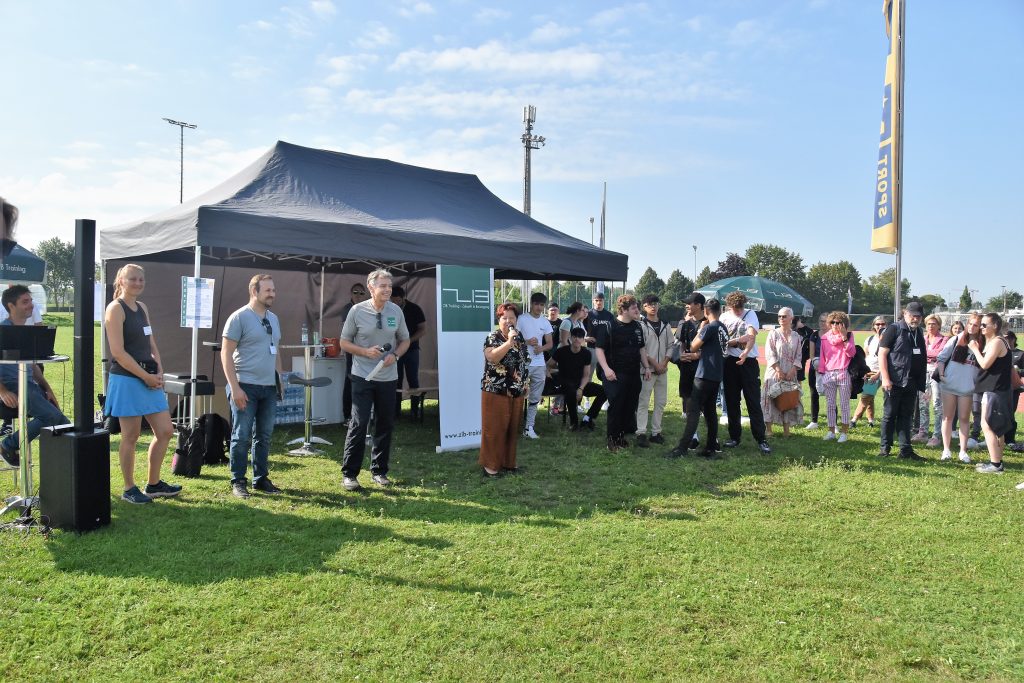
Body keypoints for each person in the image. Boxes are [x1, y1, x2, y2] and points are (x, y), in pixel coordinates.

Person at [102, 265, 181, 504]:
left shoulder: (142, 307)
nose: (137, 283)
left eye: (141, 279)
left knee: (166, 431)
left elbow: (150, 341)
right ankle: (129, 488)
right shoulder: (115, 309)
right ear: (121, 281)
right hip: (127, 379)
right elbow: (118, 353)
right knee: (131, 436)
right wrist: (144, 376)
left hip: (149, 377)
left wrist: (158, 367)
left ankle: (154, 483)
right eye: (132, 279)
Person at [339, 269, 410, 490]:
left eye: (389, 286)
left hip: (388, 377)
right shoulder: (356, 311)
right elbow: (343, 342)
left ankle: (379, 471)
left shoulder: (396, 311)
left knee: (385, 423)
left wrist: (395, 355)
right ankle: (350, 474)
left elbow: (405, 340)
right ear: (371, 288)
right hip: (362, 375)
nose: (388, 289)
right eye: (383, 286)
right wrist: (363, 351)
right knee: (359, 423)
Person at [222, 274, 285, 499]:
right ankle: (238, 480)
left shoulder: (274, 319)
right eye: (268, 290)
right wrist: (235, 387)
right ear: (254, 291)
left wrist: (280, 379)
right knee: (241, 435)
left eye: (274, 290)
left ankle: (261, 479)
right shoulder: (239, 317)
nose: (272, 294)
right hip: (244, 385)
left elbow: (275, 350)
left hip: (268, 387)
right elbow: (226, 354)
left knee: (264, 436)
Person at [0, 286, 69, 470]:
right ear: (10, 305)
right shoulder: (2, 331)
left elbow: (33, 365)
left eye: (30, 301)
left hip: (29, 386)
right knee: (53, 417)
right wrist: (3, 391)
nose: (31, 305)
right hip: (13, 386)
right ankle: (8, 445)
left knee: (64, 424)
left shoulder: (27, 331)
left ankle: (64, 472)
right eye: (25, 301)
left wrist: (47, 388)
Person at [667, 298, 729, 459]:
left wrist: (702, 327)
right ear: (720, 311)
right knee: (709, 412)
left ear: (707, 311)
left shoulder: (709, 327)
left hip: (704, 374)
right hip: (716, 375)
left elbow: (694, 346)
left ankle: (682, 448)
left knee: (693, 411)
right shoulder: (723, 328)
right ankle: (710, 448)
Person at [480, 303, 530, 476]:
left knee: (511, 429)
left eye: (512, 318)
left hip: (516, 391)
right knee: (494, 429)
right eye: (504, 318)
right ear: (499, 319)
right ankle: (490, 467)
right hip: (496, 390)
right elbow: (492, 357)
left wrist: (525, 383)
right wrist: (509, 342)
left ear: (516, 320)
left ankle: (509, 463)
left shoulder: (519, 336)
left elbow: (523, 361)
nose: (508, 321)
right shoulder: (493, 337)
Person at [595, 294, 649, 452]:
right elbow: (599, 349)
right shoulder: (609, 326)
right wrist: (606, 369)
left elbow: (641, 348)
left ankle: (620, 436)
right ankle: (612, 439)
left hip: (633, 373)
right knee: (616, 405)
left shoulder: (637, 326)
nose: (637, 310)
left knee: (629, 406)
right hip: (614, 373)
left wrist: (646, 367)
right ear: (624, 310)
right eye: (634, 308)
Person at [720, 291, 771, 454]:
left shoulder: (750, 314)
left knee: (753, 401)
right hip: (729, 363)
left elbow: (751, 336)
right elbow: (722, 341)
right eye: (735, 308)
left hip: (748, 362)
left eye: (740, 307)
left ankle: (761, 439)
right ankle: (734, 437)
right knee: (732, 401)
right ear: (729, 306)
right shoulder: (724, 317)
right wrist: (735, 342)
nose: (738, 311)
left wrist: (745, 352)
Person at [877, 301, 927, 460]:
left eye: (918, 316)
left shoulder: (918, 332)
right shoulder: (894, 329)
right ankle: (885, 448)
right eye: (913, 315)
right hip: (894, 381)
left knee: (906, 416)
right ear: (905, 314)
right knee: (889, 415)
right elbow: (882, 354)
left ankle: (905, 450)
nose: (915, 319)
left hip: (911, 382)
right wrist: (885, 378)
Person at [936, 314, 982, 463]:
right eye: (970, 324)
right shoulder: (957, 338)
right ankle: (946, 450)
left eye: (976, 325)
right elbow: (942, 358)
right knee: (947, 417)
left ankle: (963, 451)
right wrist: (942, 375)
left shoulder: (984, 341)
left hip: (967, 387)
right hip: (949, 384)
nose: (972, 327)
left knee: (964, 418)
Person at [971, 313, 1012, 474]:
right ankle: (997, 461)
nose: (981, 327)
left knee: (988, 425)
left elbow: (985, 364)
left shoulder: (997, 342)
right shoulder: (995, 341)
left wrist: (975, 349)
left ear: (994, 325)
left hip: (996, 390)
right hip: (994, 389)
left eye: (984, 325)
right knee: (996, 426)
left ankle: (995, 464)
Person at [515, 292, 554, 439]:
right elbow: (513, 340)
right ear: (531, 303)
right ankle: (512, 426)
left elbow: (550, 344)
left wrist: (541, 348)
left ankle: (529, 427)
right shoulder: (522, 319)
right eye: (536, 304)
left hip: (539, 364)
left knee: (535, 397)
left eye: (542, 305)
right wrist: (526, 342)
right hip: (522, 362)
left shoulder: (545, 322)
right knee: (517, 394)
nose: (539, 307)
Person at [635, 294, 672, 447]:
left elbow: (671, 345)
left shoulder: (666, 325)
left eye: (655, 303)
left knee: (660, 403)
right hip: (647, 370)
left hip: (662, 370)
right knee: (643, 402)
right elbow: (640, 348)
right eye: (649, 304)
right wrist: (654, 364)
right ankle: (641, 433)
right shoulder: (640, 325)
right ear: (644, 307)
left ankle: (656, 432)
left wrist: (664, 363)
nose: (653, 306)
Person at [760, 307, 804, 438]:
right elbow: (770, 353)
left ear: (791, 318)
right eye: (779, 316)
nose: (781, 319)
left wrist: (793, 369)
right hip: (774, 372)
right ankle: (769, 429)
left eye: (784, 316)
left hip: (790, 372)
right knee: (770, 398)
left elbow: (799, 355)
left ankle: (786, 429)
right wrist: (778, 369)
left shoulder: (796, 336)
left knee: (788, 399)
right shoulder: (773, 333)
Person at [552, 328, 606, 431]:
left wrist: (581, 389)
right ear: (570, 338)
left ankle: (588, 418)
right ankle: (574, 422)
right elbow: (549, 365)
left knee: (604, 391)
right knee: (571, 391)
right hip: (565, 383)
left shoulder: (586, 353)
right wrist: (551, 371)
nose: (577, 339)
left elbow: (586, 375)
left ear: (583, 339)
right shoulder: (561, 351)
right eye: (574, 336)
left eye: (580, 337)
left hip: (580, 383)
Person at [673, 292, 706, 450]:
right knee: (688, 400)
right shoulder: (685, 325)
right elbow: (681, 344)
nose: (687, 305)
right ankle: (693, 435)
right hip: (687, 369)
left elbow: (714, 349)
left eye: (690, 303)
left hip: (703, 370)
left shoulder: (708, 324)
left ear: (699, 305)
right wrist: (681, 355)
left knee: (705, 404)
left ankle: (712, 437)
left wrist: (696, 355)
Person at [817, 311, 856, 442]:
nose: (834, 325)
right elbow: (822, 357)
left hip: (843, 372)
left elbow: (851, 353)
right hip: (829, 374)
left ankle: (844, 433)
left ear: (844, 324)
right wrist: (822, 373)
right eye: (832, 322)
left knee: (844, 404)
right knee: (830, 405)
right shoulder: (824, 338)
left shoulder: (849, 336)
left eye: (838, 322)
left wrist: (844, 337)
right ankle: (831, 431)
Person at [390, 285, 427, 418]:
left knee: (413, 380)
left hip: (412, 350)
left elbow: (423, 329)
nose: (394, 303)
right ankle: (396, 411)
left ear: (403, 298)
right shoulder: (388, 309)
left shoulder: (414, 309)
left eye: (397, 300)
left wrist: (408, 341)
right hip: (396, 351)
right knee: (396, 380)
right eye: (392, 300)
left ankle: (414, 410)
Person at [914, 314, 947, 446]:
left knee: (937, 404)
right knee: (923, 404)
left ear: (938, 325)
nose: (931, 326)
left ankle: (936, 435)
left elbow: (941, 354)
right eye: (928, 324)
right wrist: (927, 354)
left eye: (934, 324)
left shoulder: (944, 339)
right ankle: (923, 432)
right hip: (923, 373)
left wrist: (925, 354)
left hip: (936, 374)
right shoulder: (922, 339)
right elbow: (916, 352)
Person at [340, 282, 370, 425]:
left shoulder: (367, 308)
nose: (358, 295)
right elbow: (349, 332)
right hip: (352, 350)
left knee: (364, 382)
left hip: (366, 351)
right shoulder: (348, 309)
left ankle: (362, 415)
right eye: (356, 292)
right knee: (351, 381)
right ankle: (347, 416)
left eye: (361, 293)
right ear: (351, 294)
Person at [852, 316, 887, 428]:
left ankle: (854, 420)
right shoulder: (869, 339)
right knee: (869, 396)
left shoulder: (889, 339)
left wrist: (878, 374)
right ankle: (871, 420)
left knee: (866, 395)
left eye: (882, 324)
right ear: (873, 326)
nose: (880, 326)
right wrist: (863, 372)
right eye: (877, 324)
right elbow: (866, 356)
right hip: (868, 371)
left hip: (879, 372)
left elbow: (887, 359)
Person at [804, 313, 829, 430]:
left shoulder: (833, 335)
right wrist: (816, 364)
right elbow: (812, 355)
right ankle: (814, 421)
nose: (823, 323)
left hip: (830, 369)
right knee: (814, 394)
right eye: (821, 321)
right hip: (815, 367)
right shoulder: (814, 335)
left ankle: (832, 422)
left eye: (825, 321)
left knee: (831, 396)